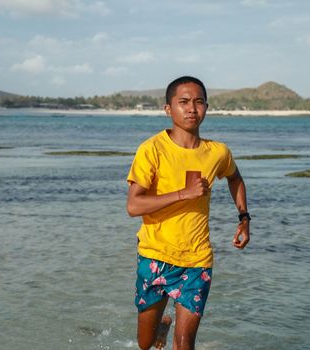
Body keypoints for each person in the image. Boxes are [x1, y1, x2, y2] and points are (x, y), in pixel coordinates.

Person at [126, 76, 250, 350]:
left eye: (198, 102)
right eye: (183, 102)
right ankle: (161, 326)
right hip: (155, 254)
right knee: (145, 344)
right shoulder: (152, 150)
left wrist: (244, 218)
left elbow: (235, 177)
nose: (192, 109)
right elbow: (134, 206)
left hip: (197, 259)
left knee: (184, 344)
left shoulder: (217, 152)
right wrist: (184, 193)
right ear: (168, 109)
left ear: (206, 106)